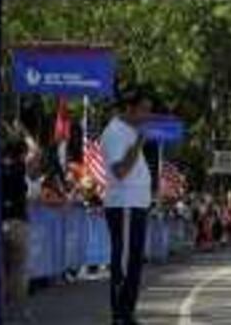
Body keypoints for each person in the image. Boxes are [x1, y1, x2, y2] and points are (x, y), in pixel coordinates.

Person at [100, 88, 153, 325]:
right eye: (144, 110)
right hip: (125, 205)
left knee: (134, 261)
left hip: (136, 205)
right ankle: (120, 314)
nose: (147, 115)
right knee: (124, 261)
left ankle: (126, 312)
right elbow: (120, 171)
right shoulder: (114, 132)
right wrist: (139, 143)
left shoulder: (129, 131)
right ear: (129, 108)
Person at [0, 121, 41, 324]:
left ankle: (0, 313)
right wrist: (23, 129)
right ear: (20, 152)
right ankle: (20, 313)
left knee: (0, 271)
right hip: (18, 224)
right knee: (19, 271)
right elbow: (35, 150)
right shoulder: (20, 167)